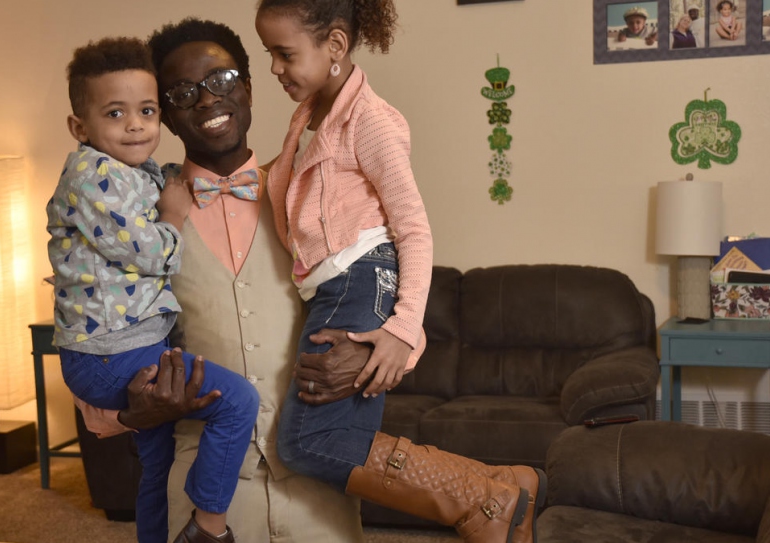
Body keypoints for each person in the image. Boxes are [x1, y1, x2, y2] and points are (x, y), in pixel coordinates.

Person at [254, 1, 545, 542]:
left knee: (305, 441)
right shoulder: (311, 113)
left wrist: (402, 329)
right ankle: (502, 489)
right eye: (269, 52)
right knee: (335, 439)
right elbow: (282, 179)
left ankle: (486, 499)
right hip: (339, 286)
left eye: (284, 53)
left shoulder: (372, 121)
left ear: (335, 47)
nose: (274, 67)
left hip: (356, 282)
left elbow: (413, 229)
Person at [75, 18, 372, 543]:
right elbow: (93, 359)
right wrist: (132, 413)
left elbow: (378, 287)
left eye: (222, 79)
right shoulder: (129, 213)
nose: (208, 100)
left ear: (249, 87)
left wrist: (375, 350)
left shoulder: (313, 192)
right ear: (162, 113)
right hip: (201, 495)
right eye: (183, 93)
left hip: (317, 485)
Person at [47, 36, 262, 543]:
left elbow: (150, 192)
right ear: (80, 127)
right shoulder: (92, 174)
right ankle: (209, 526)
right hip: (113, 354)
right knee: (238, 402)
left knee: (156, 469)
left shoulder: (136, 173)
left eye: (145, 110)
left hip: (133, 345)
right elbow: (149, 251)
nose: (136, 124)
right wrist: (172, 214)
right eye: (116, 113)